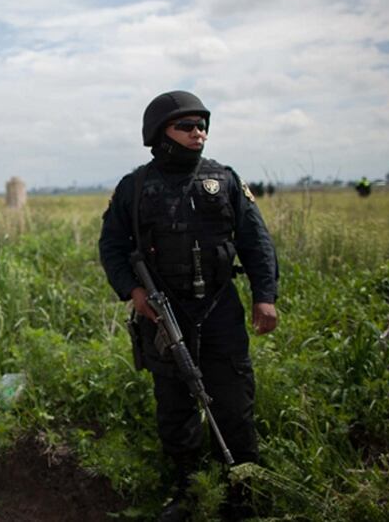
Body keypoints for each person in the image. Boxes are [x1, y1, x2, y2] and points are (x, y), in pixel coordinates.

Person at [98, 90, 279, 521]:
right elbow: (112, 245)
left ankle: (241, 494)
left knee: (233, 404)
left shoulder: (225, 179)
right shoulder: (134, 187)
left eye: (202, 126)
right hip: (165, 314)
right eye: (187, 126)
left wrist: (265, 296)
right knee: (176, 406)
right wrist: (133, 292)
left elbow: (256, 242)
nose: (198, 133)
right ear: (160, 134)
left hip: (220, 311)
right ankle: (189, 491)